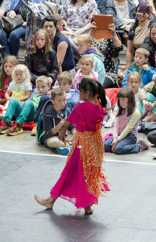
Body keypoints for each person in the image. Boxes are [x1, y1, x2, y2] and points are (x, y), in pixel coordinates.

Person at [34, 79, 110, 214]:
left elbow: (66, 124)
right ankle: (87, 205)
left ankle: (50, 201)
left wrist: (62, 136)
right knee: (89, 174)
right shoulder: (99, 106)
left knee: (69, 173)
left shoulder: (82, 107)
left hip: (82, 147)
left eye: (80, 92)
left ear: (86, 93)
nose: (79, 94)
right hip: (96, 147)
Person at [105, 88, 148, 155]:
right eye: (119, 99)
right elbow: (116, 125)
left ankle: (138, 146)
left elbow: (128, 128)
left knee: (118, 149)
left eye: (123, 99)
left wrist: (117, 140)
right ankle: (118, 144)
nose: (120, 102)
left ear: (130, 99)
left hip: (130, 136)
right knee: (106, 145)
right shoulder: (120, 109)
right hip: (119, 134)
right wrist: (115, 138)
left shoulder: (136, 112)